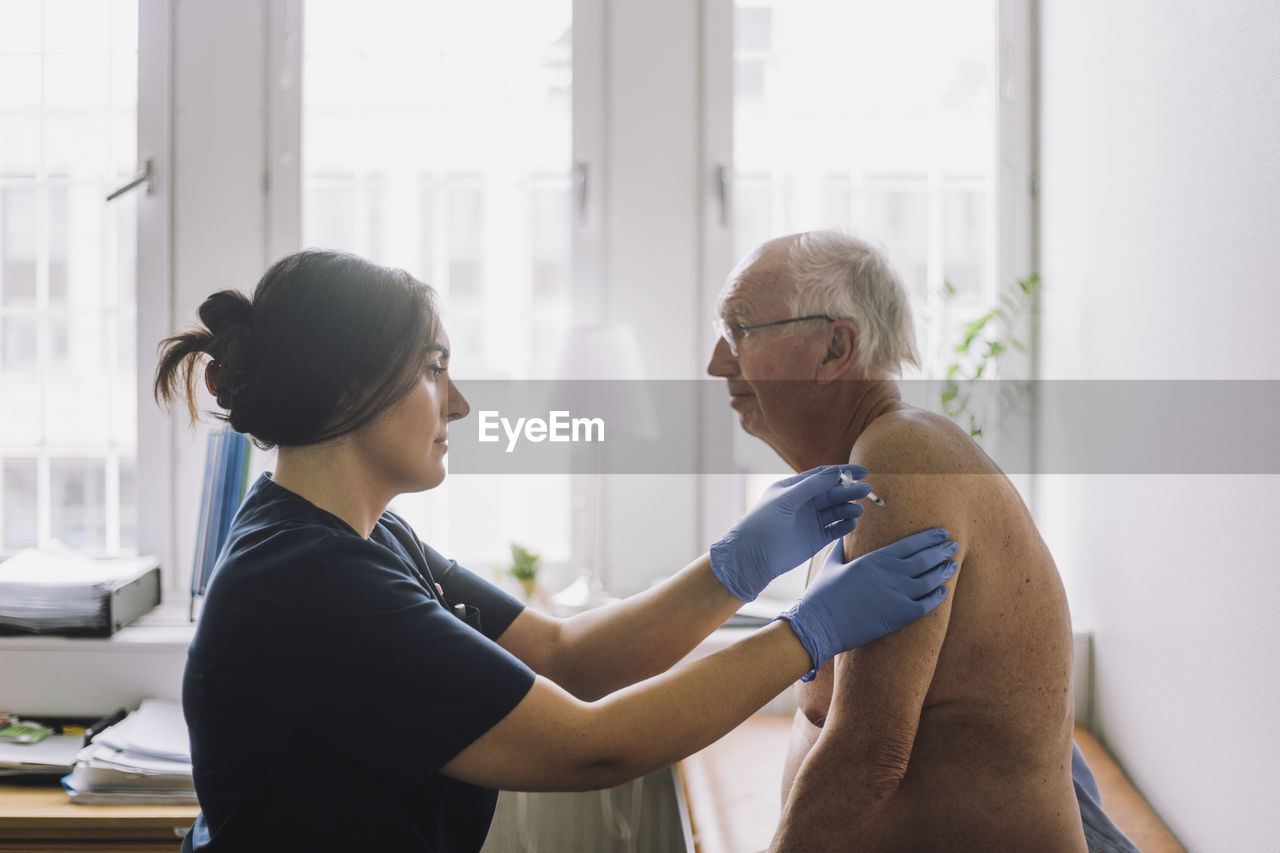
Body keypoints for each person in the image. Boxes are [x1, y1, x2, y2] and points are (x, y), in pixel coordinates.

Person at [155, 249, 959, 852]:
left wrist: (734, 568)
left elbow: (564, 652)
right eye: (434, 368)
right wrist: (806, 635)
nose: (461, 402)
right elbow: (589, 745)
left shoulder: (366, 539)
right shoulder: (308, 583)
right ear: (346, 390)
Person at [706, 230, 1139, 852]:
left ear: (836, 346)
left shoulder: (902, 453)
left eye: (740, 329)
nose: (718, 363)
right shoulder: (851, 477)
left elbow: (869, 752)